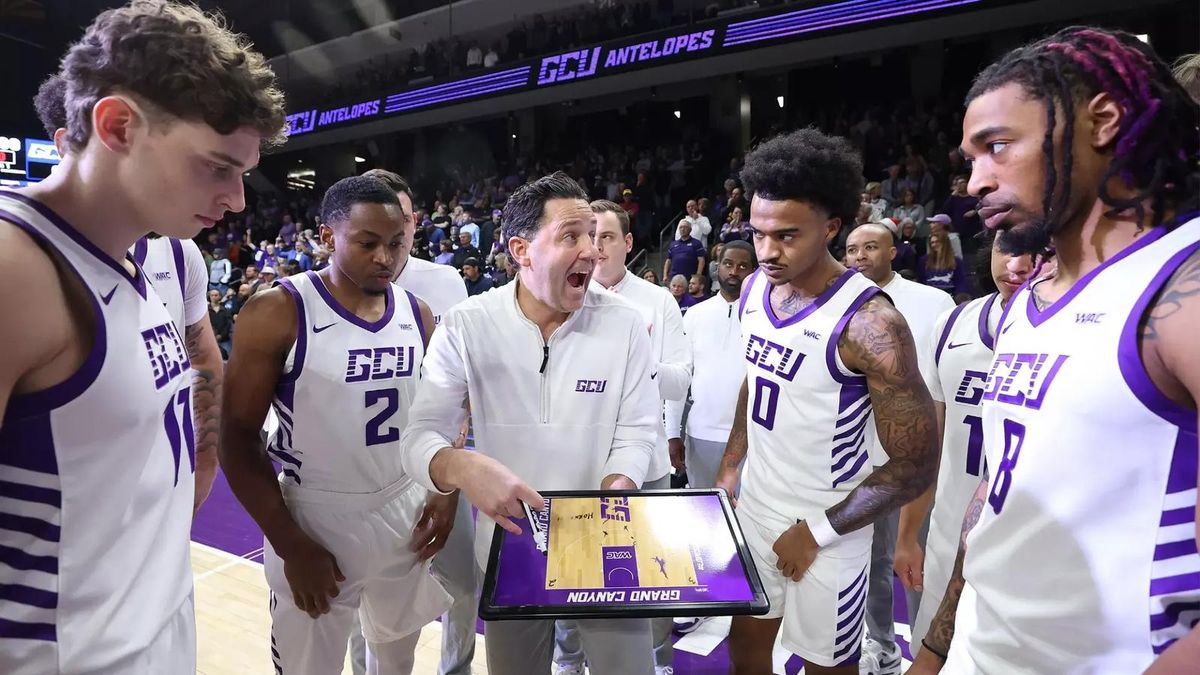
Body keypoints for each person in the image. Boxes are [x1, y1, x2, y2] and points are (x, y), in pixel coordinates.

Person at [0, 1, 285, 672]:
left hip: (155, 629)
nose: (238, 199)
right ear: (118, 124)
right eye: (219, 166)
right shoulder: (17, 269)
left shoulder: (143, 258)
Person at [910, 26, 1200, 675]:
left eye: (999, 147)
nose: (976, 180)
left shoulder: (1182, 289)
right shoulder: (1033, 299)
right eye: (970, 158)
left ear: (1102, 120)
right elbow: (994, 506)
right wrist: (935, 647)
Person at [400, 171, 660, 675]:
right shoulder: (467, 324)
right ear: (522, 249)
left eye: (593, 234)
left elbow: (637, 430)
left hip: (606, 539)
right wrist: (461, 467)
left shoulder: (626, 321)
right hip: (509, 539)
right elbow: (420, 435)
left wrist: (618, 484)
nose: (592, 250)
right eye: (571, 236)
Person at [713, 129, 937, 675]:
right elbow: (755, 378)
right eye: (759, 233)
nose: (766, 252)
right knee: (745, 650)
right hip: (757, 505)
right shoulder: (753, 292)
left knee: (826, 668)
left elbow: (916, 463)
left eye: (787, 236)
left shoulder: (871, 324)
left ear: (832, 227)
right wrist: (731, 464)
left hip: (828, 522)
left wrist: (817, 532)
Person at [220, 176, 453, 675]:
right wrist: (288, 541)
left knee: (397, 661)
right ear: (328, 237)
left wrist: (444, 492)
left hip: (403, 504)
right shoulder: (277, 310)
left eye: (396, 243)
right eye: (368, 243)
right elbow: (237, 440)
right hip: (317, 517)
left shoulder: (419, 314)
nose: (386, 258)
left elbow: (442, 412)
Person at [554, 199, 692, 675]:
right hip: (577, 466)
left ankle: (658, 663)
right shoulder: (559, 299)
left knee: (650, 580)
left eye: (607, 236)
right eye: (587, 236)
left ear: (629, 243)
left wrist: (629, 364)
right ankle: (568, 663)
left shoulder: (657, 302)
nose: (596, 247)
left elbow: (680, 379)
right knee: (571, 574)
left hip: (645, 465)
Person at [894, 231, 1032, 656]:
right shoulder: (953, 322)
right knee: (928, 655)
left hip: (1025, 549)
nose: (1017, 264)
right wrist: (907, 535)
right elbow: (930, 445)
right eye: (1006, 247)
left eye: (1036, 250)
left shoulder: (1082, 334)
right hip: (946, 532)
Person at [364, 168, 475, 675]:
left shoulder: (444, 280)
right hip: (369, 476)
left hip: (439, 462)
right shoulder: (332, 286)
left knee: (463, 582)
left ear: (414, 220)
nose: (397, 228)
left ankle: (456, 669)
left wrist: (447, 481)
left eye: (404, 217)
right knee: (364, 597)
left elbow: (464, 385)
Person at [843, 223, 956, 674]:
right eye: (851, 249)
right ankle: (883, 647)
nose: (859, 256)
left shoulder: (934, 303)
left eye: (870, 246)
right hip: (862, 458)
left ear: (893, 250)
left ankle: (929, 649)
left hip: (921, 461)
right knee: (872, 563)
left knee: (917, 560)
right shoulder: (838, 304)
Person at [664, 239, 757, 636]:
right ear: (716, 266)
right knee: (702, 521)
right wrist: (673, 433)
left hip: (755, 439)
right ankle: (703, 597)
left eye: (742, 265)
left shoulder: (768, 315)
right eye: (728, 263)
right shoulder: (695, 315)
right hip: (701, 431)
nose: (733, 271)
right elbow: (679, 381)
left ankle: (751, 600)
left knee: (753, 521)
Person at [917, 229, 967, 296]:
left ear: (945, 243)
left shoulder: (956, 261)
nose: (934, 245)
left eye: (937, 242)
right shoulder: (923, 260)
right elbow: (921, 282)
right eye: (932, 242)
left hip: (950, 296)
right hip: (929, 296)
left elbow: (960, 282)